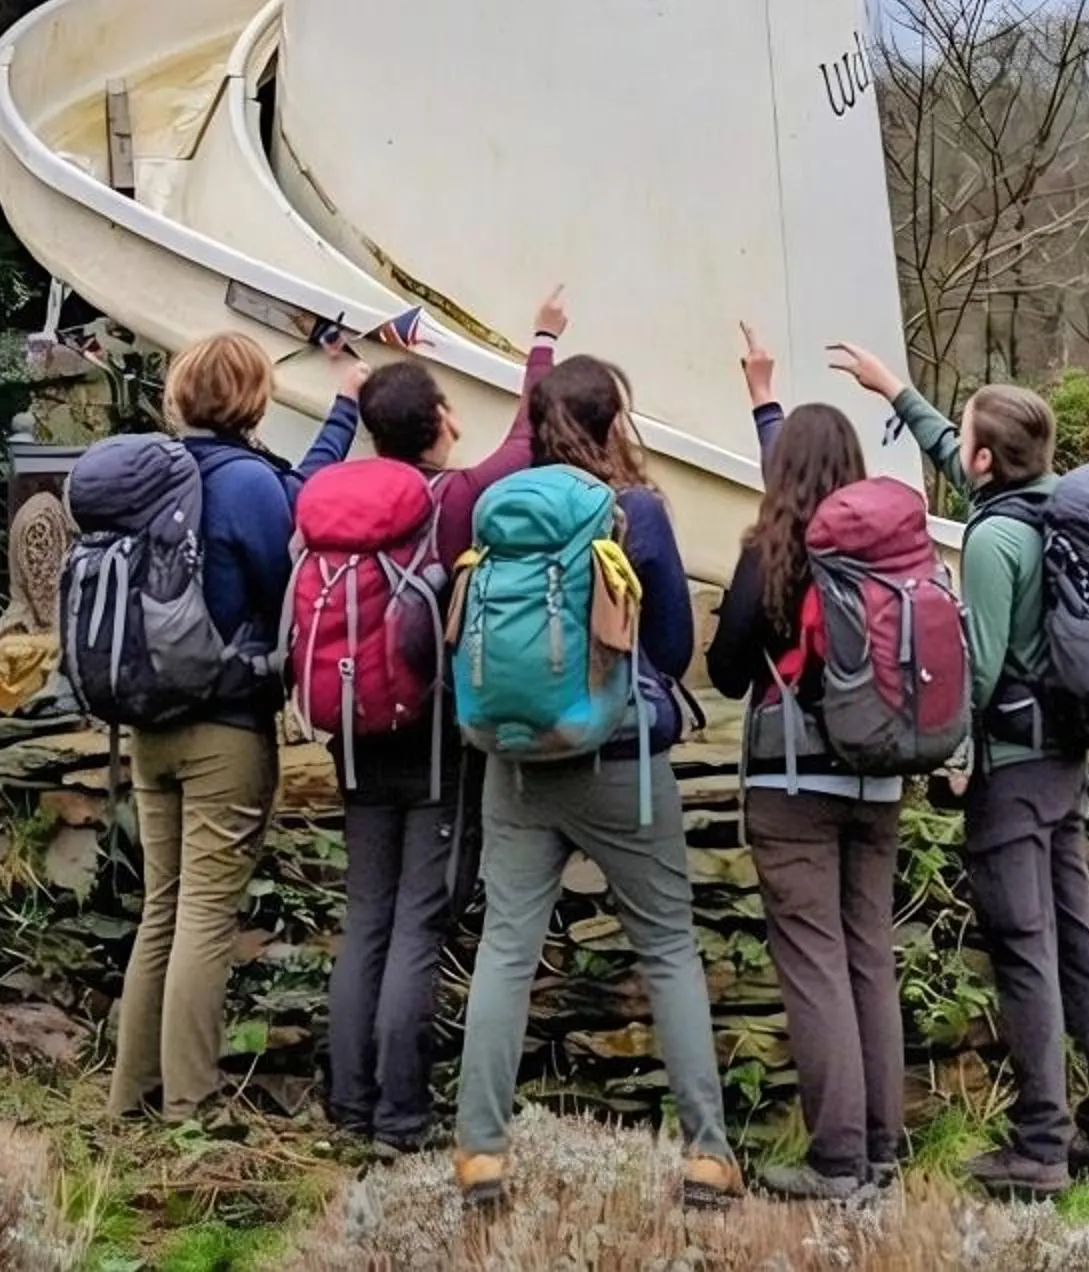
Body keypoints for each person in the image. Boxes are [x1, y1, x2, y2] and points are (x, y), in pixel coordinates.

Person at [829, 341, 1089, 1202]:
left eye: (963, 437)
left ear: (985, 456)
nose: (957, 450)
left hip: (1012, 771)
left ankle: (1041, 1144)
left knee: (1026, 952)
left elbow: (979, 665)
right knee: (1078, 942)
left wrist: (956, 756)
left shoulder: (996, 540)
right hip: (1064, 763)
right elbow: (964, 468)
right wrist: (897, 391)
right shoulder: (1044, 508)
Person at [453, 356, 742, 1214]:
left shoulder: (497, 509)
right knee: (667, 949)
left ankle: (479, 1156)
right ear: (616, 420)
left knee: (506, 950)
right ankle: (706, 1157)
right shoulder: (636, 513)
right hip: (620, 762)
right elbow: (671, 650)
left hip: (513, 759)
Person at [324, 288, 569, 1153]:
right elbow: (530, 434)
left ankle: (348, 1108)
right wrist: (541, 338)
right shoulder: (452, 499)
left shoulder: (330, 501)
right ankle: (400, 1116)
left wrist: (341, 389)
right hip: (428, 737)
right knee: (421, 920)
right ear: (437, 420)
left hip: (349, 728)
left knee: (368, 919)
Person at [109, 330, 365, 1122]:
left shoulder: (149, 479)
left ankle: (130, 1097)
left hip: (148, 720)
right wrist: (346, 404)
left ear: (182, 394)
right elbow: (293, 540)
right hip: (225, 727)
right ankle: (192, 1102)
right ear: (255, 399)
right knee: (206, 916)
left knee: (163, 908)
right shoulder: (250, 483)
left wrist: (341, 415)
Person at [707, 328, 906, 1204]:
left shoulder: (773, 552)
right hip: (881, 781)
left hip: (795, 790)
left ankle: (835, 1162)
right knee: (868, 957)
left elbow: (722, 667)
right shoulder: (887, 551)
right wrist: (766, 403)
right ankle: (883, 1150)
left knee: (817, 964)